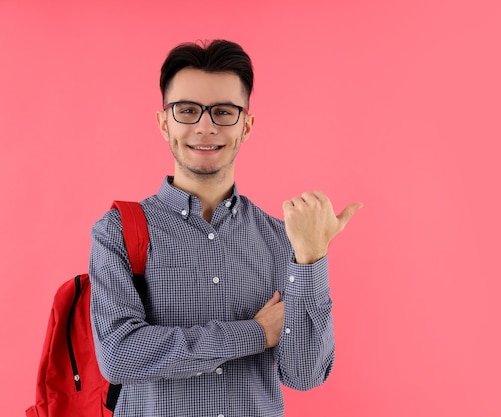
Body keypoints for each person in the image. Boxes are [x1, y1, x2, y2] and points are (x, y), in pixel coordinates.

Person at [89, 39, 361, 417]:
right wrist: (255, 333)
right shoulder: (118, 231)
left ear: (246, 125)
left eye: (223, 111)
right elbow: (120, 354)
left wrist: (312, 258)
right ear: (163, 122)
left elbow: (305, 374)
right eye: (187, 110)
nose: (205, 126)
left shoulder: (284, 239)